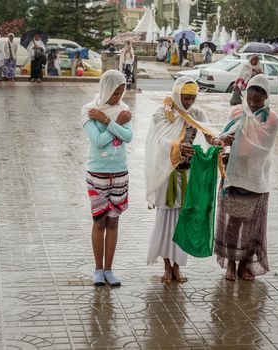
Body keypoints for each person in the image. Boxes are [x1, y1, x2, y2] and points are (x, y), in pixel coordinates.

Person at [145, 77, 221, 284]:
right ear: (178, 94)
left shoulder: (195, 114)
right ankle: (166, 267)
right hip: (167, 174)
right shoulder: (163, 113)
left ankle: (177, 267)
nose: (188, 103)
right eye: (185, 98)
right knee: (166, 222)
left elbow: (207, 133)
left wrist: (216, 140)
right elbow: (158, 140)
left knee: (182, 221)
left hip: (187, 174)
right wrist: (177, 146)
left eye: (192, 98)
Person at [215, 74, 278, 281]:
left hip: (256, 179)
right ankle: (231, 265)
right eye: (250, 99)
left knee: (251, 226)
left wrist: (238, 145)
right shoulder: (235, 112)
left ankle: (245, 265)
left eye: (257, 101)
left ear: (266, 99)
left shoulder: (272, 119)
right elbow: (224, 138)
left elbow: (262, 148)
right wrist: (225, 143)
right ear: (245, 96)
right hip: (234, 176)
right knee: (232, 224)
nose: (252, 104)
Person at [81, 70, 133, 287]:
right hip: (98, 173)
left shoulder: (124, 110)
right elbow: (99, 141)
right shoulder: (88, 111)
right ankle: (98, 269)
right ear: (106, 90)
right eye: (114, 93)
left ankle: (109, 269)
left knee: (113, 221)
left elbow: (128, 137)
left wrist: (108, 121)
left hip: (120, 173)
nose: (118, 98)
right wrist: (114, 122)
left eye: (121, 93)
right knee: (99, 221)